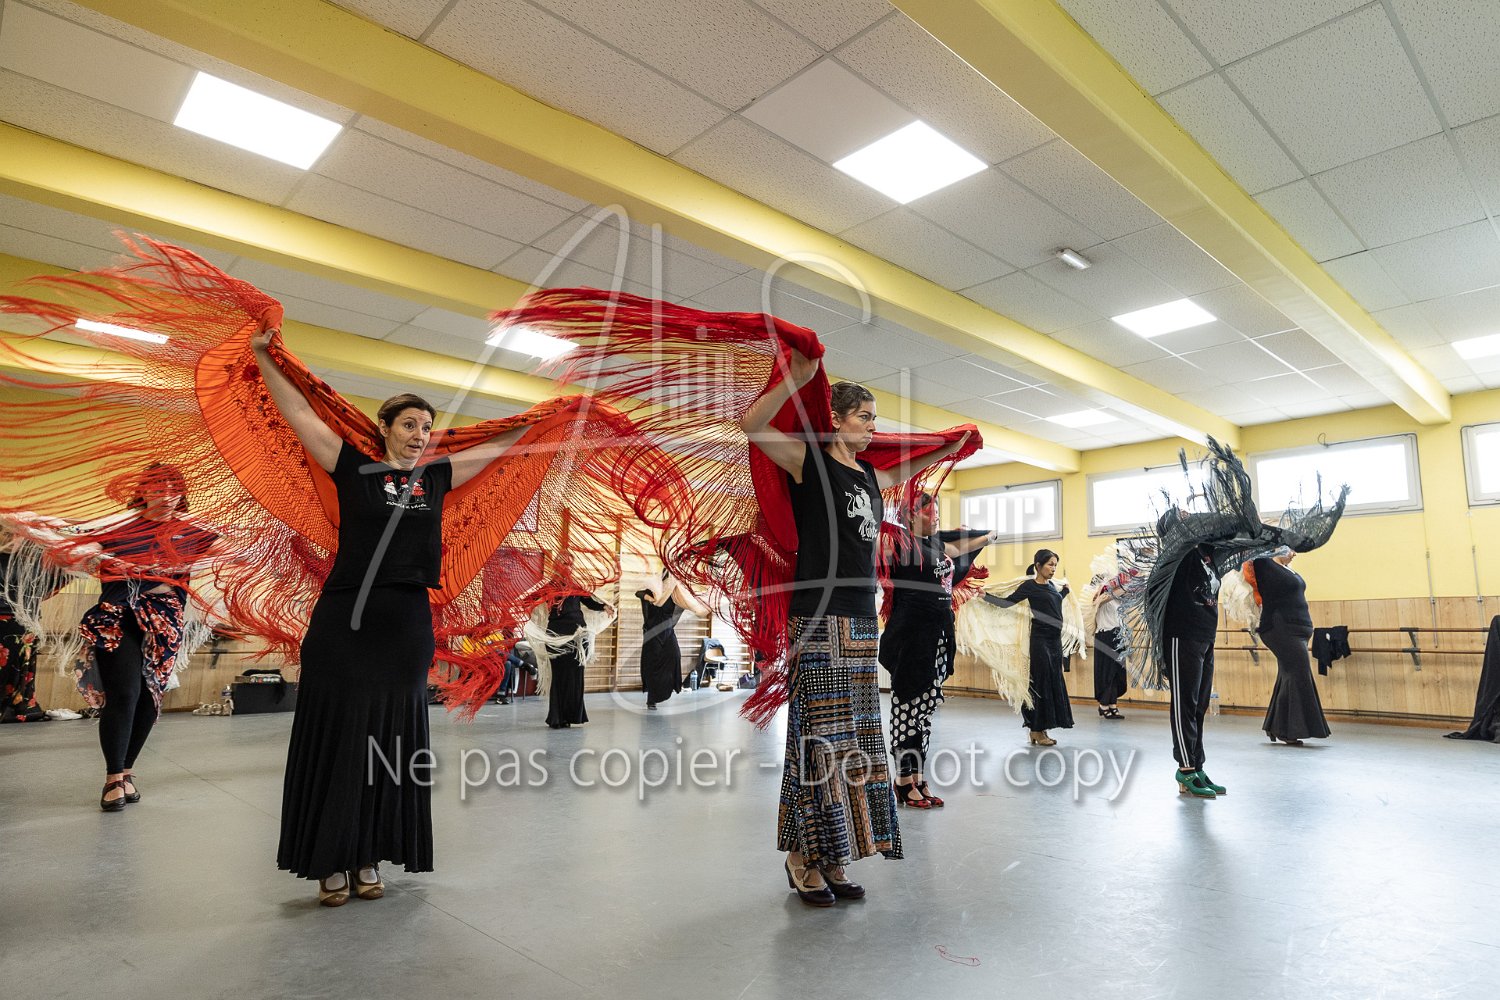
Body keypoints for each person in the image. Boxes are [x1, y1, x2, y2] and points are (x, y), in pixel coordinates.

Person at [251, 321, 530, 907]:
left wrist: (546, 418)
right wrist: (263, 356)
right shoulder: (352, 466)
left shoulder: (436, 478)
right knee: (340, 736)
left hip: (405, 625)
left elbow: (501, 448)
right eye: (408, 425)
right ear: (384, 427)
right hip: (345, 621)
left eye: (426, 427)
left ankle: (369, 855)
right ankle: (330, 858)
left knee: (389, 741)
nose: (418, 435)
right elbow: (299, 415)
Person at [741, 361, 970, 906]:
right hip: (818, 618)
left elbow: (903, 469)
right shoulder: (811, 464)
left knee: (854, 743)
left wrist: (947, 448)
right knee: (818, 741)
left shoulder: (868, 476)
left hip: (862, 620)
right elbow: (753, 425)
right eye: (864, 417)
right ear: (835, 419)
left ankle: (834, 853)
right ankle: (803, 856)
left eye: (873, 418)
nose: (872, 426)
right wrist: (796, 377)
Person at [72, 465, 219, 810]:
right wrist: (80, 550)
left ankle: (126, 772)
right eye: (157, 488)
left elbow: (230, 551)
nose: (165, 496)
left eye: (173, 489)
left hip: (164, 623)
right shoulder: (118, 527)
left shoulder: (191, 531)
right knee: (125, 692)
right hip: (117, 618)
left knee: (149, 698)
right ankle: (112, 778)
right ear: (143, 493)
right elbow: (81, 547)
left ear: (181, 495)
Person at [879, 491, 996, 808]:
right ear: (910, 515)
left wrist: (986, 537)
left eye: (937, 512)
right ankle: (902, 781)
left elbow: (958, 549)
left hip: (938, 637)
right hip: (910, 638)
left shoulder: (935, 545)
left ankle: (918, 777)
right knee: (907, 709)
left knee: (924, 713)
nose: (936, 517)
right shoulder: (899, 544)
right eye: (929, 512)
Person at [992, 549, 1075, 746]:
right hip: (1041, 640)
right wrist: (984, 596)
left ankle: (1041, 730)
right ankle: (1036, 730)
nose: (1053, 569)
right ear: (1038, 565)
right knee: (1040, 684)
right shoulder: (1030, 586)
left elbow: (1053, 603)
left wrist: (1065, 592)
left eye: (1055, 565)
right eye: (1050, 564)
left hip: (1055, 641)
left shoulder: (1052, 586)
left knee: (1052, 682)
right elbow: (1007, 603)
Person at [1249, 546, 1329, 745]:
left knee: (1288, 674)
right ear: (1277, 547)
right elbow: (1254, 545)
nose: (1294, 554)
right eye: (1291, 549)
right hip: (1280, 627)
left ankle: (1276, 726)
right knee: (1298, 673)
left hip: (1298, 629)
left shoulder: (1288, 570)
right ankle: (1287, 729)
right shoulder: (1264, 564)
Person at [535, 554, 614, 730]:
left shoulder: (576, 585)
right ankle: (557, 718)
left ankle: (572, 716)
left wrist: (604, 607)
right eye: (564, 563)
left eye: (571, 564)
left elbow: (590, 602)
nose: (568, 567)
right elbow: (531, 600)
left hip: (578, 637)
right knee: (559, 676)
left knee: (575, 677)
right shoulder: (549, 587)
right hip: (556, 636)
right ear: (556, 565)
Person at [637, 568, 710, 710]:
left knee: (675, 655)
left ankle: (667, 687)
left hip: (667, 631)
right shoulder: (654, 589)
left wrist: (703, 605)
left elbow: (691, 603)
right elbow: (638, 593)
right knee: (653, 664)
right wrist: (650, 599)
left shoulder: (676, 594)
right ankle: (651, 699)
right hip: (652, 632)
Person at [1092, 568, 1133, 719]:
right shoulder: (1100, 596)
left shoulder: (1117, 598)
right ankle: (1103, 705)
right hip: (1105, 635)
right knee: (1107, 672)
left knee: (1117, 672)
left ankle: (1112, 704)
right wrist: (1122, 586)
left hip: (1118, 635)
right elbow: (1101, 599)